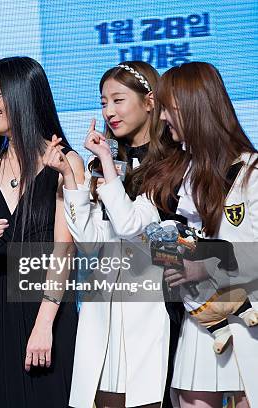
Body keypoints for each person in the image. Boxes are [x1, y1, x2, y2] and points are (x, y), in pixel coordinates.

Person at [94, 62, 258, 408]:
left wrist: (208, 265)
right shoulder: (178, 173)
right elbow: (136, 229)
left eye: (169, 108)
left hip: (248, 325)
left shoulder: (251, 173)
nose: (163, 117)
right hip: (199, 325)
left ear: (194, 108)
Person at [0, 56, 84, 408]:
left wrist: (44, 323)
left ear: (23, 95)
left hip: (48, 307)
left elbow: (65, 249)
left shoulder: (65, 162)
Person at [51, 62, 172, 408]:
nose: (109, 111)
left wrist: (106, 164)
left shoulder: (173, 164)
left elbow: (138, 229)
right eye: (103, 102)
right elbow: (90, 242)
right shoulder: (105, 164)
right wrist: (72, 182)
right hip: (103, 313)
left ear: (150, 101)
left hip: (156, 309)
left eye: (118, 100)